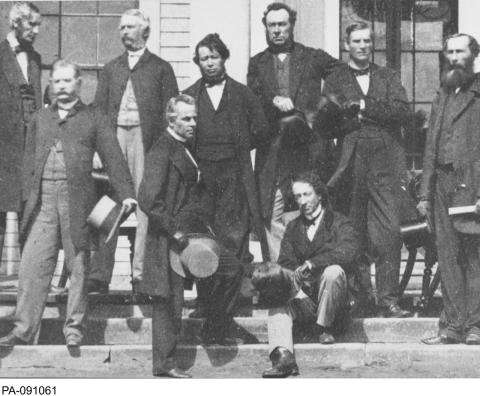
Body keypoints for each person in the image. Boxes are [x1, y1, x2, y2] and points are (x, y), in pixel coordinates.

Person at [0, 59, 136, 347]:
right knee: (32, 265)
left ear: (79, 83)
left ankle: (74, 327)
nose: (61, 86)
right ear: (51, 85)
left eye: (67, 81)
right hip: (42, 202)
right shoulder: (40, 118)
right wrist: (22, 201)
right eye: (56, 81)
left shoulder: (94, 117)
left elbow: (114, 158)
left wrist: (127, 193)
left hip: (77, 202)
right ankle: (23, 330)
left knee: (79, 266)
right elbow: (26, 164)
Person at [183, 33, 270, 339]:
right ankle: (206, 305)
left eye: (214, 57)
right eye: (204, 58)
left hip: (234, 177)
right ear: (198, 62)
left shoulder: (243, 95)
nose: (209, 63)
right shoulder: (189, 95)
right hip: (202, 180)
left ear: (224, 58)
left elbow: (262, 131)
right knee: (203, 244)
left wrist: (240, 148)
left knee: (232, 244)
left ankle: (227, 311)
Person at [323, 22, 412, 317]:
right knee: (354, 230)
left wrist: (364, 106)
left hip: (384, 159)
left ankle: (389, 298)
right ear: (346, 45)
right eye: (356, 41)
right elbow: (328, 120)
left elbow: (402, 111)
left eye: (367, 41)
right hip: (350, 162)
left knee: (389, 230)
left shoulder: (387, 76)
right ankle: (360, 298)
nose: (362, 46)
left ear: (372, 45)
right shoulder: (335, 78)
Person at [87, 8, 178, 294]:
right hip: (113, 141)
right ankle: (100, 275)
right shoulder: (112, 68)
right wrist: (98, 149)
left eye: (129, 27)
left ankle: (141, 274)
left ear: (145, 32)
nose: (123, 32)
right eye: (121, 27)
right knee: (109, 203)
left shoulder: (161, 68)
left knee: (145, 205)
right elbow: (99, 111)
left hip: (147, 143)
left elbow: (171, 112)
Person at [247, 2, 340, 261]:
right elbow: (252, 100)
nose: (277, 30)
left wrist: (320, 108)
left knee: (310, 212)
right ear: (265, 27)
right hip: (274, 155)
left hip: (307, 150)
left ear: (292, 25)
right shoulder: (257, 64)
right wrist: (273, 101)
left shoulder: (313, 57)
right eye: (272, 25)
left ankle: (308, 273)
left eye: (282, 24)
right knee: (271, 215)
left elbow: (343, 76)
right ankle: (281, 279)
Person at [260, 170, 360, 378]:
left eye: (307, 194)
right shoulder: (293, 226)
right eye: (298, 196)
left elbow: (348, 252)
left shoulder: (340, 222)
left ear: (320, 195)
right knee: (278, 298)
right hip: (304, 300)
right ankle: (283, 357)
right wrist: (296, 292)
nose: (302, 201)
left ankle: (324, 328)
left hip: (334, 305)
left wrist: (313, 263)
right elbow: (285, 262)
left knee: (333, 272)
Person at [418, 34, 480, 345]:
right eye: (450, 52)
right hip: (441, 185)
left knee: (474, 257)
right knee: (448, 256)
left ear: (474, 55)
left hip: (471, 185)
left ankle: (476, 325)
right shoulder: (442, 93)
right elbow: (430, 146)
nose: (454, 57)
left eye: (460, 51)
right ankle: (455, 326)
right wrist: (425, 194)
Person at [0, 2, 42, 274]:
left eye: (38, 25)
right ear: (16, 23)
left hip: (30, 144)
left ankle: (29, 276)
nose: (36, 31)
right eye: (32, 25)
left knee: (30, 206)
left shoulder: (35, 58)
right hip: (2, 146)